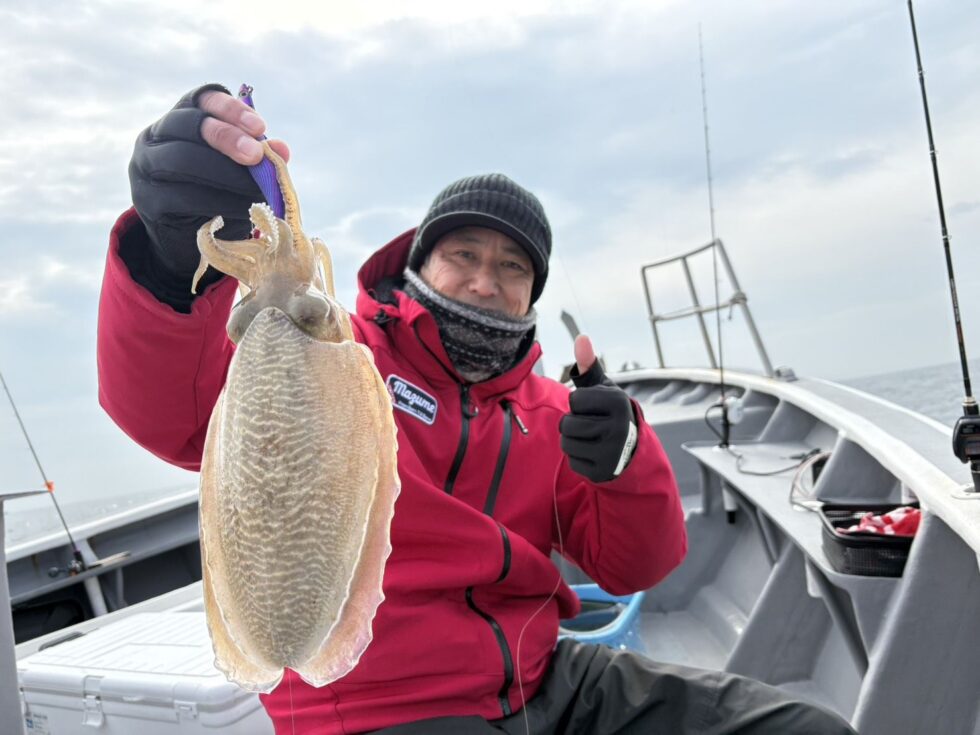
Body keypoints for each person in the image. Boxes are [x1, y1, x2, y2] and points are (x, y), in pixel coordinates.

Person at [97, 84, 856, 735]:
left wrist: (626, 463)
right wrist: (169, 262)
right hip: (376, 705)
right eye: (463, 254)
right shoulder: (342, 353)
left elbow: (637, 566)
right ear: (420, 262)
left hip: (543, 681)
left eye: (513, 265)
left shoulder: (552, 411)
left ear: (532, 292)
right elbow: (172, 412)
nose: (486, 281)